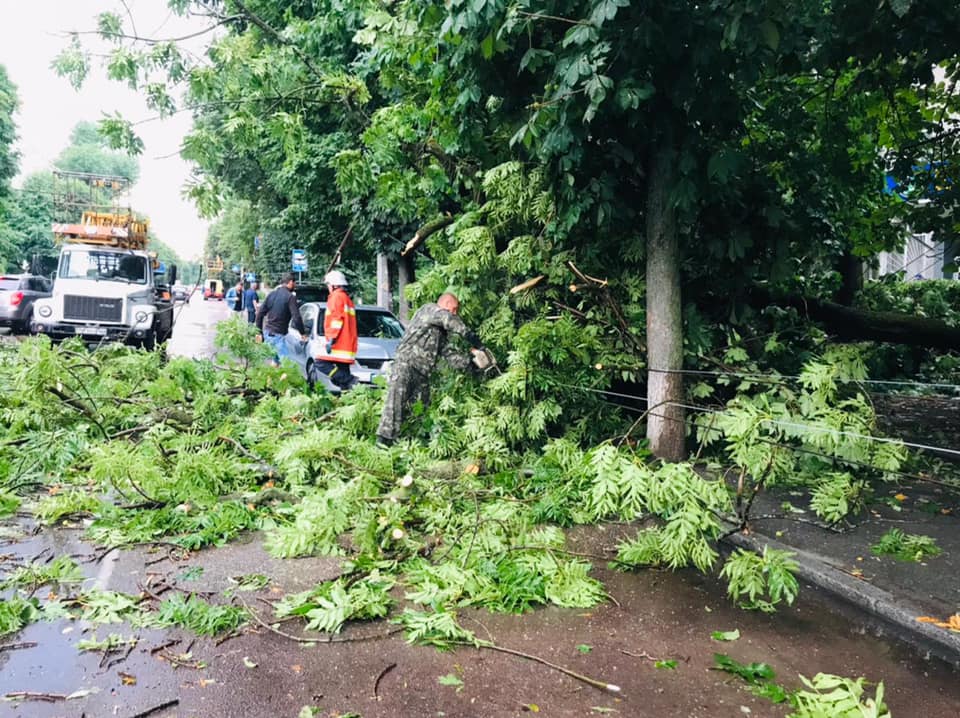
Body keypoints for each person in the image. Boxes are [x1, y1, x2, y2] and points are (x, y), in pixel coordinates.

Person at [376, 292, 485, 446]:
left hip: (422, 373)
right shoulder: (429, 310)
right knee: (395, 403)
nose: (454, 313)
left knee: (421, 408)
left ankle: (412, 441)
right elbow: (448, 319)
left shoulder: (440, 332)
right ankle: (383, 441)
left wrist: (472, 364)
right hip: (406, 365)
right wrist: (470, 336)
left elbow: (449, 354)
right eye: (453, 309)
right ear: (446, 304)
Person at [311, 270, 358, 391]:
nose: (327, 287)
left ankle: (348, 379)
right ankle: (347, 397)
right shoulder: (346, 299)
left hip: (339, 343)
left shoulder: (336, 297)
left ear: (333, 285)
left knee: (320, 362)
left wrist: (331, 339)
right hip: (347, 343)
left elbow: (336, 320)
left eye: (328, 284)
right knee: (343, 374)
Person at [255, 273, 306, 365]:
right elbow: (296, 317)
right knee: (287, 366)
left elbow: (259, 314)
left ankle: (270, 378)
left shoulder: (272, 295)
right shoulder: (290, 297)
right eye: (295, 283)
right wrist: (302, 333)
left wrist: (259, 332)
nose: (295, 285)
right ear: (290, 282)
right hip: (279, 336)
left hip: (268, 334)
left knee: (276, 362)